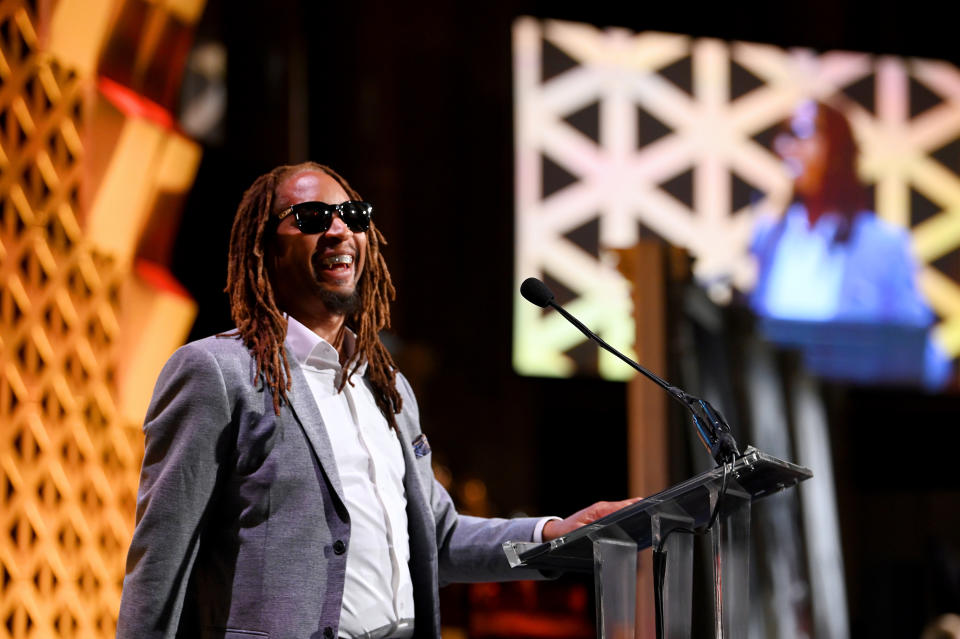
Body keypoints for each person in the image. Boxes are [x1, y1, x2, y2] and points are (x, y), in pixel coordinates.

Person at [116, 162, 634, 639]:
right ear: (265, 246)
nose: (339, 229)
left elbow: (439, 538)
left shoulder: (387, 388)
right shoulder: (216, 372)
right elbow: (161, 559)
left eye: (353, 215)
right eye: (313, 216)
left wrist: (553, 535)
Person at [750, 100, 951, 387]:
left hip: (853, 408)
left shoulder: (883, 244)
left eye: (800, 134)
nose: (786, 147)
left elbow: (917, 349)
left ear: (837, 149)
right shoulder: (768, 236)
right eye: (783, 136)